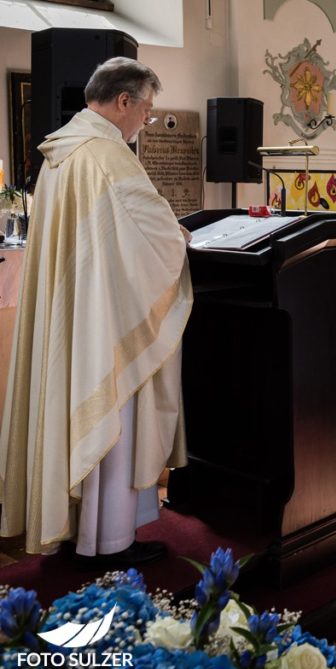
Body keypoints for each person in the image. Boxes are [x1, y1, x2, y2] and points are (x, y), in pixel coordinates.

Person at [0, 57, 192, 566]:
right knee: (112, 407)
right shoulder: (106, 155)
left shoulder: (61, 150)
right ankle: (106, 541)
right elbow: (150, 233)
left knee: (75, 399)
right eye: (146, 112)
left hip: (78, 312)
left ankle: (73, 528)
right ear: (124, 101)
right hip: (104, 317)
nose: (144, 123)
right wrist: (179, 237)